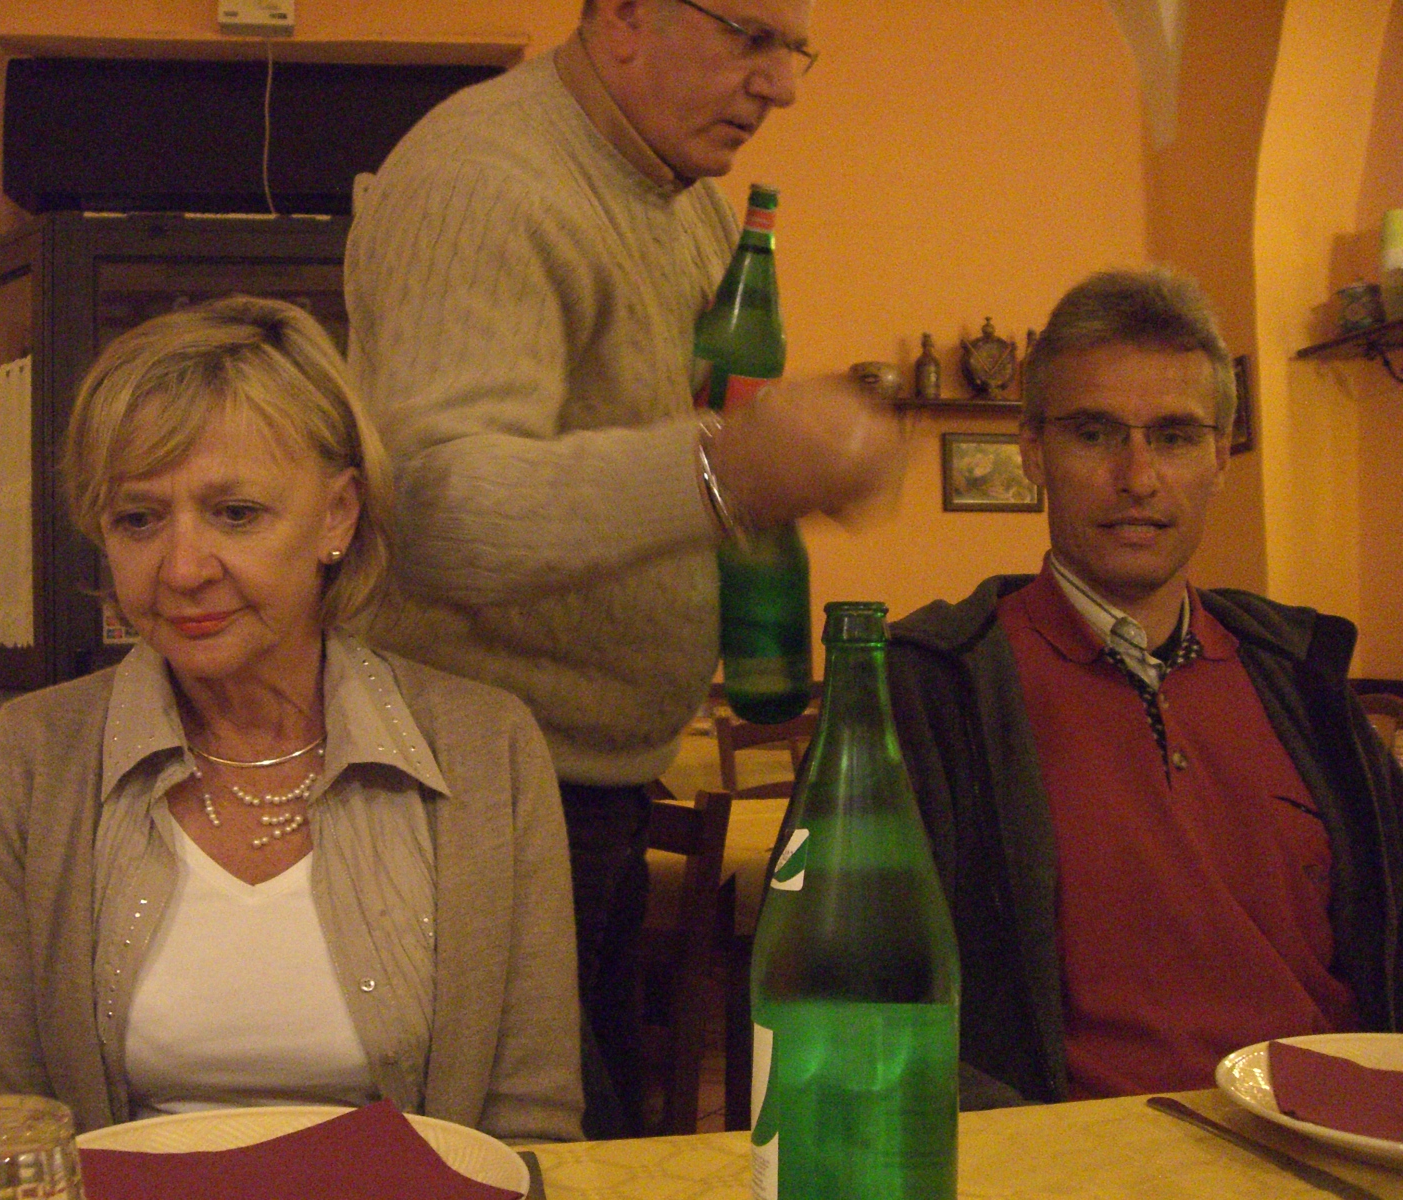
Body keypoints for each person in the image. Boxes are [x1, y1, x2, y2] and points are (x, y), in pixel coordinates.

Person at [344, 0, 902, 1131]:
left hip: (590, 787)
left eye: (794, 48)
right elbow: (435, 510)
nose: (783, 85)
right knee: (532, 1156)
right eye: (751, 37)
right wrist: (730, 470)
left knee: (594, 1142)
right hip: (470, 799)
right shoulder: (482, 179)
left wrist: (757, 461)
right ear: (628, 17)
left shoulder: (685, 199)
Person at [0, 296, 584, 1141]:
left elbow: (530, 1124)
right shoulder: (31, 757)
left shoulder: (485, 749)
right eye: (139, 519)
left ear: (337, 515)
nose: (182, 568)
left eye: (236, 514)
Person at [887, 267, 1403, 1105]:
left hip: (1331, 1134)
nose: (1137, 477)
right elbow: (855, 1011)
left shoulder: (1300, 681)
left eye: (1174, 436)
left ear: (1220, 457)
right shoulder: (931, 688)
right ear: (1032, 451)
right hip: (1076, 1155)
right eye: (1094, 434)